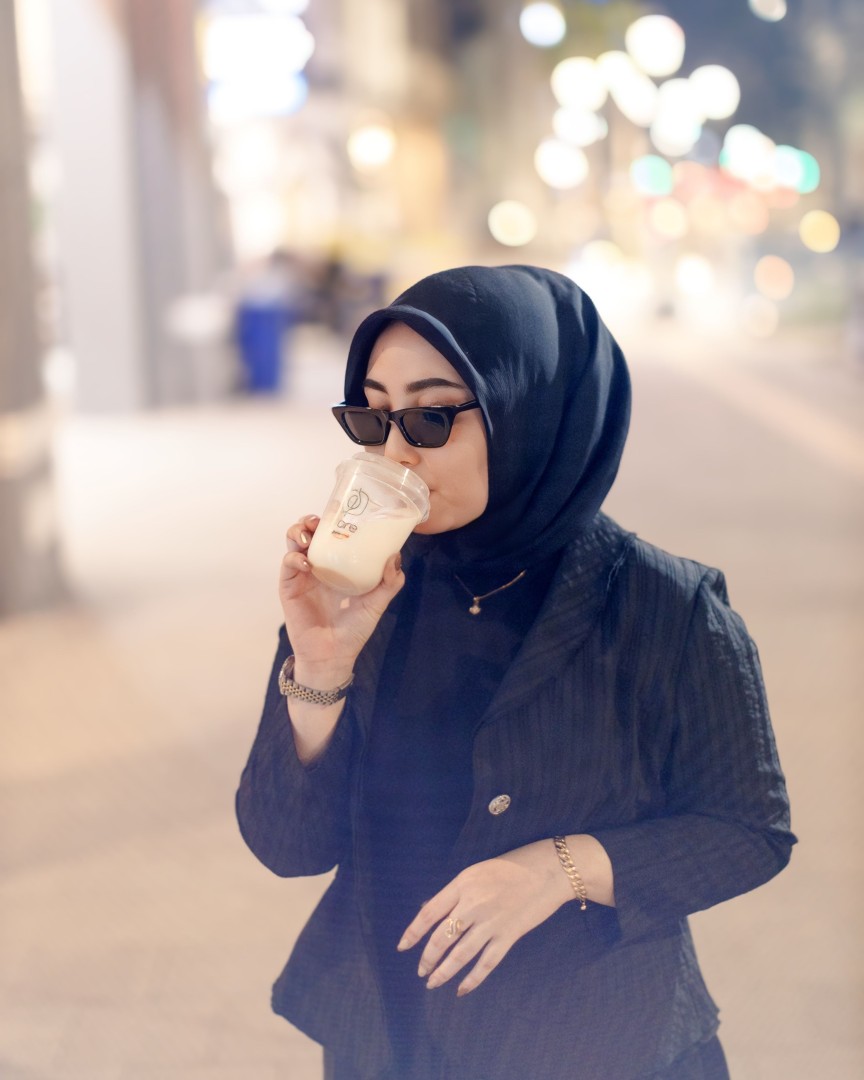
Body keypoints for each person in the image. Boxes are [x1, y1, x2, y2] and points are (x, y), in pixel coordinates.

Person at [236, 265, 795, 1080]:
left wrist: (562, 870)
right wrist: (320, 668)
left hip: (595, 1042)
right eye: (371, 416)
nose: (394, 454)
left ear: (528, 413)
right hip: (386, 1035)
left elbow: (749, 829)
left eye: (430, 417)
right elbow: (286, 845)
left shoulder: (664, 607)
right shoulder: (363, 589)